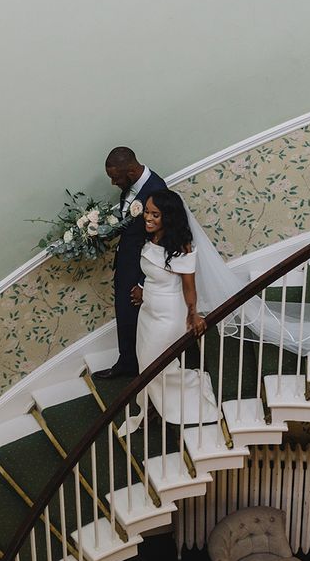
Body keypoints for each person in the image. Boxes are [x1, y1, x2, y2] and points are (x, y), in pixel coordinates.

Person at [127, 190, 218, 429]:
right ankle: (153, 405)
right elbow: (157, 276)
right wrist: (143, 290)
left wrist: (193, 313)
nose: (147, 217)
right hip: (148, 312)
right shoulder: (152, 238)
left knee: (152, 364)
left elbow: (188, 287)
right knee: (146, 360)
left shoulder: (182, 247)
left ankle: (166, 405)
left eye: (155, 214)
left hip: (169, 316)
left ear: (169, 216)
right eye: (147, 211)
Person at [92, 147, 167, 379]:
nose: (114, 183)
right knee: (125, 317)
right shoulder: (130, 188)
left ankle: (142, 368)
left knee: (139, 321)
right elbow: (130, 224)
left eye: (116, 177)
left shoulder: (157, 190)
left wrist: (144, 283)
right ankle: (127, 363)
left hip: (141, 269)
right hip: (126, 264)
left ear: (132, 172)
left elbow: (161, 240)